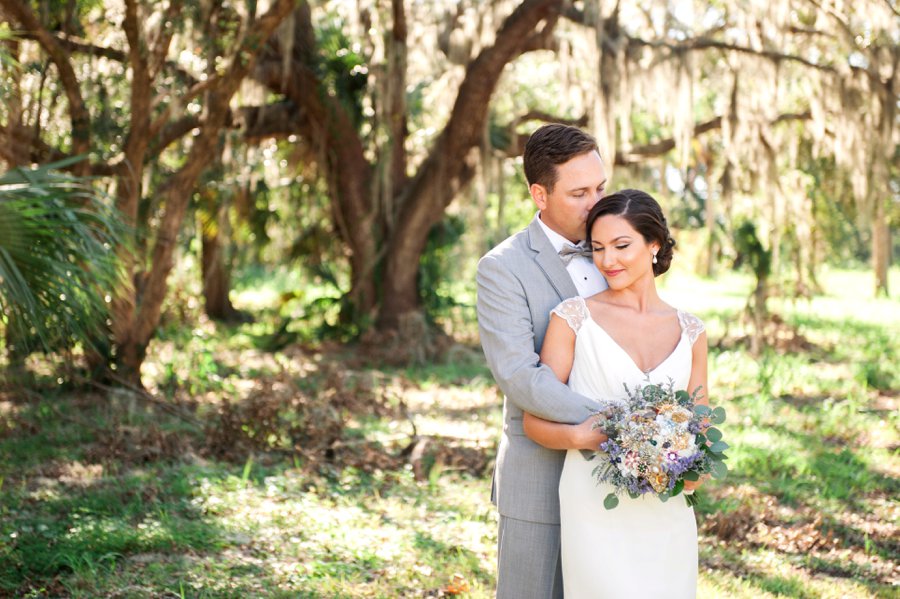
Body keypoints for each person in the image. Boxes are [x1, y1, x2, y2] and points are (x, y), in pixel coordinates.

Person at [523, 189, 708, 598]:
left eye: (622, 246)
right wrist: (585, 436)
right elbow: (533, 420)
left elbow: (702, 432)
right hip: (594, 503)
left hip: (667, 508)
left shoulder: (691, 332)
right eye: (599, 248)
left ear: (654, 244)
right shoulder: (573, 319)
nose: (608, 261)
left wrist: (684, 463)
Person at [476, 124, 610, 598]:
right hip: (541, 474)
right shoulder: (503, 267)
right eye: (579, 193)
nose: (596, 203)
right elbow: (519, 376)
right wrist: (620, 424)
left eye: (601, 188)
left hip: (618, 482)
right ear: (540, 194)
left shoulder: (618, 249)